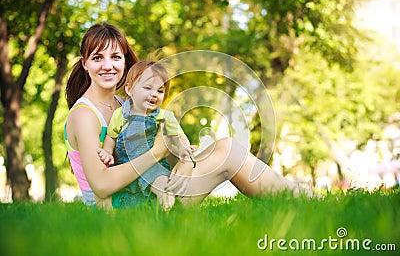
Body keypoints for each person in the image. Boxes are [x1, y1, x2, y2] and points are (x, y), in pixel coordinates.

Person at [64, 23, 312, 210]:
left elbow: (150, 144)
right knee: (227, 153)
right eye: (98, 58)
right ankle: (304, 199)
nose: (108, 65)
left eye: (115, 57)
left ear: (125, 62)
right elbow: (102, 185)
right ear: (85, 63)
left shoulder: (122, 104)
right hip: (126, 210)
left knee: (224, 146)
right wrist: (158, 152)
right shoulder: (85, 115)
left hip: (149, 192)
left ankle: (303, 198)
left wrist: (181, 154)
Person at [97, 59, 196, 210]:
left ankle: (167, 210)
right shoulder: (121, 114)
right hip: (126, 168)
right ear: (129, 90)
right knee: (129, 200)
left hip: (153, 166)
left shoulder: (163, 116)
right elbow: (112, 136)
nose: (154, 94)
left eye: (160, 91)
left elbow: (178, 135)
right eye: (148, 88)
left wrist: (184, 149)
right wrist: (107, 152)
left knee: (162, 186)